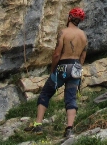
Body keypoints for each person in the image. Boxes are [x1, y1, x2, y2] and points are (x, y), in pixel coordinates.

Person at [24, 8, 88, 137]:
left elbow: (56, 54)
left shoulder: (63, 32)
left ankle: (38, 125)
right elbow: (82, 56)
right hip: (76, 67)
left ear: (70, 17)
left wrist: (53, 68)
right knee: (71, 98)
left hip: (63, 67)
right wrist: (78, 70)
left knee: (45, 94)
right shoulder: (83, 36)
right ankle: (69, 129)